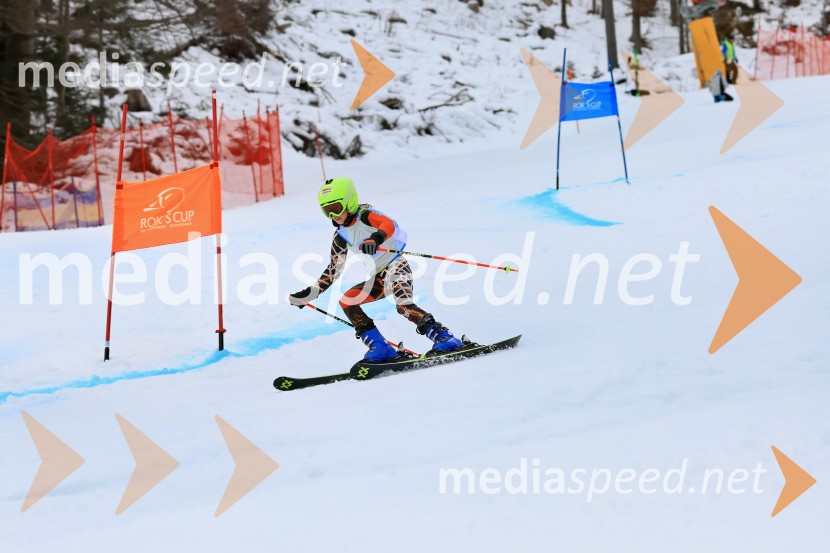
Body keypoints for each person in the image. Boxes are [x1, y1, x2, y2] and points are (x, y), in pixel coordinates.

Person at [288, 178, 464, 362]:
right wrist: (309, 294)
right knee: (347, 301)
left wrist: (375, 238)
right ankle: (380, 347)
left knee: (403, 305)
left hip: (396, 265)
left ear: (350, 201)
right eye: (327, 211)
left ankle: (445, 338)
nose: (333, 215)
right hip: (378, 277)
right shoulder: (340, 235)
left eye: (336, 208)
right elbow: (334, 269)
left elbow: (387, 224)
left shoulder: (365, 215)